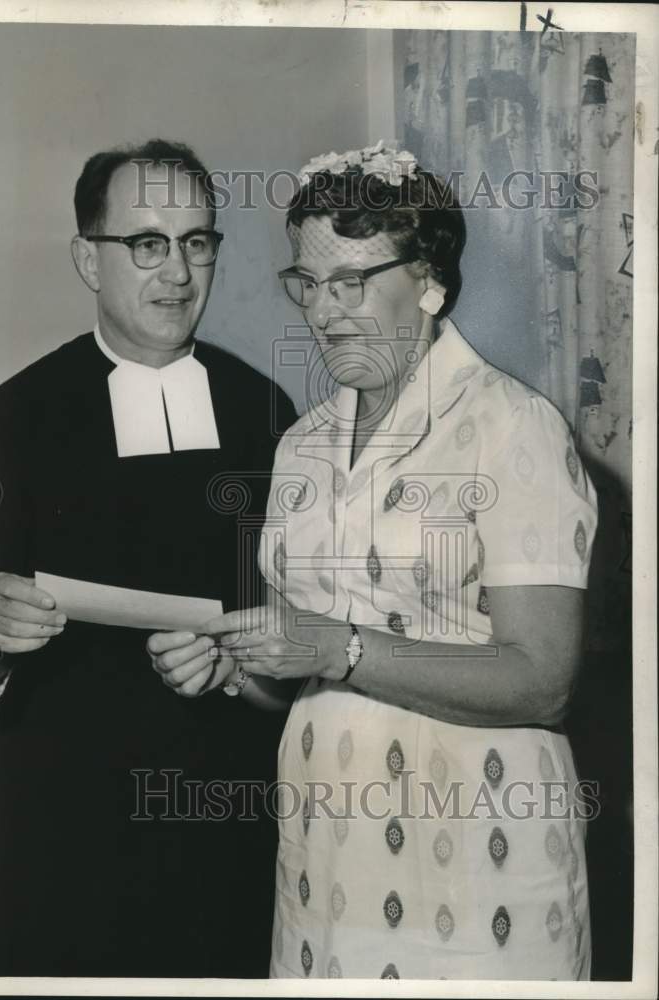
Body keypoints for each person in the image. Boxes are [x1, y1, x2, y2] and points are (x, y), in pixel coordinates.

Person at [148, 141, 598, 980]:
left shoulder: (513, 428)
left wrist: (342, 647)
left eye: (351, 282)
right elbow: (296, 672)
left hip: (481, 856)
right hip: (327, 862)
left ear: (428, 277)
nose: (324, 312)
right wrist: (234, 670)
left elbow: (545, 679)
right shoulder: (301, 445)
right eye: (308, 284)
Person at [0, 138, 297, 978]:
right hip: (69, 824)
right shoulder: (14, 413)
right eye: (146, 243)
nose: (177, 271)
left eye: (197, 241)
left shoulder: (266, 409)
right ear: (86, 260)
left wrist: (239, 669)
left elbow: (292, 626)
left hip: (225, 812)